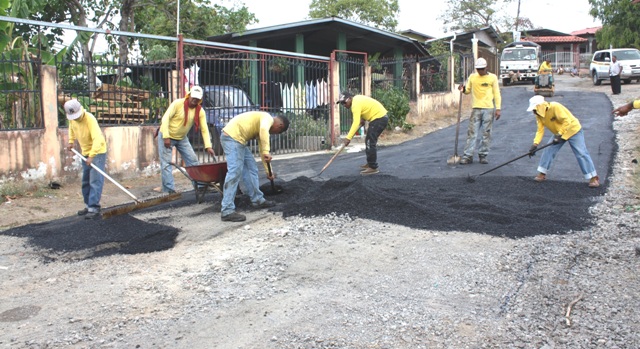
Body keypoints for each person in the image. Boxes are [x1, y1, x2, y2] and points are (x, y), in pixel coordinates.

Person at [219, 111, 290, 222]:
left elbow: (263, 152)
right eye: (277, 132)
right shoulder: (267, 118)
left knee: (251, 167)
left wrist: (269, 171)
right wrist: (267, 150)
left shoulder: (262, 125)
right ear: (279, 126)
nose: (274, 134)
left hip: (239, 140)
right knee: (235, 172)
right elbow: (264, 136)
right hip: (232, 138)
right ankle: (227, 210)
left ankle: (257, 199)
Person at [526, 95, 600, 188]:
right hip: (559, 133)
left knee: (581, 153)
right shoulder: (539, 115)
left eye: (534, 109)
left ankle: (593, 178)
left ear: (540, 106)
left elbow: (567, 121)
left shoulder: (555, 106)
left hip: (573, 130)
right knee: (549, 150)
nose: (533, 111)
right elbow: (540, 130)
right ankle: (542, 173)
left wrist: (560, 134)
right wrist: (535, 144)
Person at [158, 86, 215, 193]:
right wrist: (166, 137)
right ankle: (169, 191)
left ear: (200, 100)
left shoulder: (200, 111)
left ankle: (201, 186)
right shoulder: (177, 104)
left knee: (193, 161)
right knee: (166, 164)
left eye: (197, 99)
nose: (195, 100)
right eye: (193, 97)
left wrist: (208, 146)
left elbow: (204, 129)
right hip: (167, 135)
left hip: (181, 138)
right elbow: (165, 119)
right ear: (189, 95)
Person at [65, 99, 108, 219]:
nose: (75, 119)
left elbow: (98, 139)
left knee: (95, 180)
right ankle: (88, 205)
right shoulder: (73, 120)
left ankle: (94, 207)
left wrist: (92, 156)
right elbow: (71, 129)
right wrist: (71, 141)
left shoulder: (90, 119)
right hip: (85, 153)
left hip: (97, 152)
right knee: (86, 180)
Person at [457, 57, 502, 164]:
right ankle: (468, 156)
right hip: (476, 108)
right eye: (478, 69)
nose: (480, 71)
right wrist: (462, 89)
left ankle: (483, 155)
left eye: (482, 69)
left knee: (486, 133)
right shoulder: (472, 77)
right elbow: (467, 90)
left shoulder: (493, 78)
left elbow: (496, 93)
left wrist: (498, 108)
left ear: (486, 67)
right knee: (472, 133)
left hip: (488, 109)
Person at [336, 91, 389, 174]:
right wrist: (363, 119)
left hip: (379, 118)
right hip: (379, 117)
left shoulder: (355, 105)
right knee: (368, 141)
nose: (344, 105)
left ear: (349, 98)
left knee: (370, 142)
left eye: (344, 102)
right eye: (342, 103)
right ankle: (370, 163)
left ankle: (373, 167)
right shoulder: (356, 100)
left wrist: (348, 138)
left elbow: (355, 122)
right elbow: (366, 108)